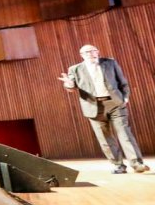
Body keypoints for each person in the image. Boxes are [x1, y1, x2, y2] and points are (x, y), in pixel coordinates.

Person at [59, 44, 150, 173]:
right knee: (105, 138)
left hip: (115, 104)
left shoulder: (110, 63)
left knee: (125, 134)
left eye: (92, 51)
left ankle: (137, 164)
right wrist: (68, 84)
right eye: (86, 52)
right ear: (81, 55)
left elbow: (122, 82)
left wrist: (125, 97)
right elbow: (72, 86)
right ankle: (118, 165)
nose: (90, 54)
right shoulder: (75, 69)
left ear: (98, 52)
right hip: (93, 107)